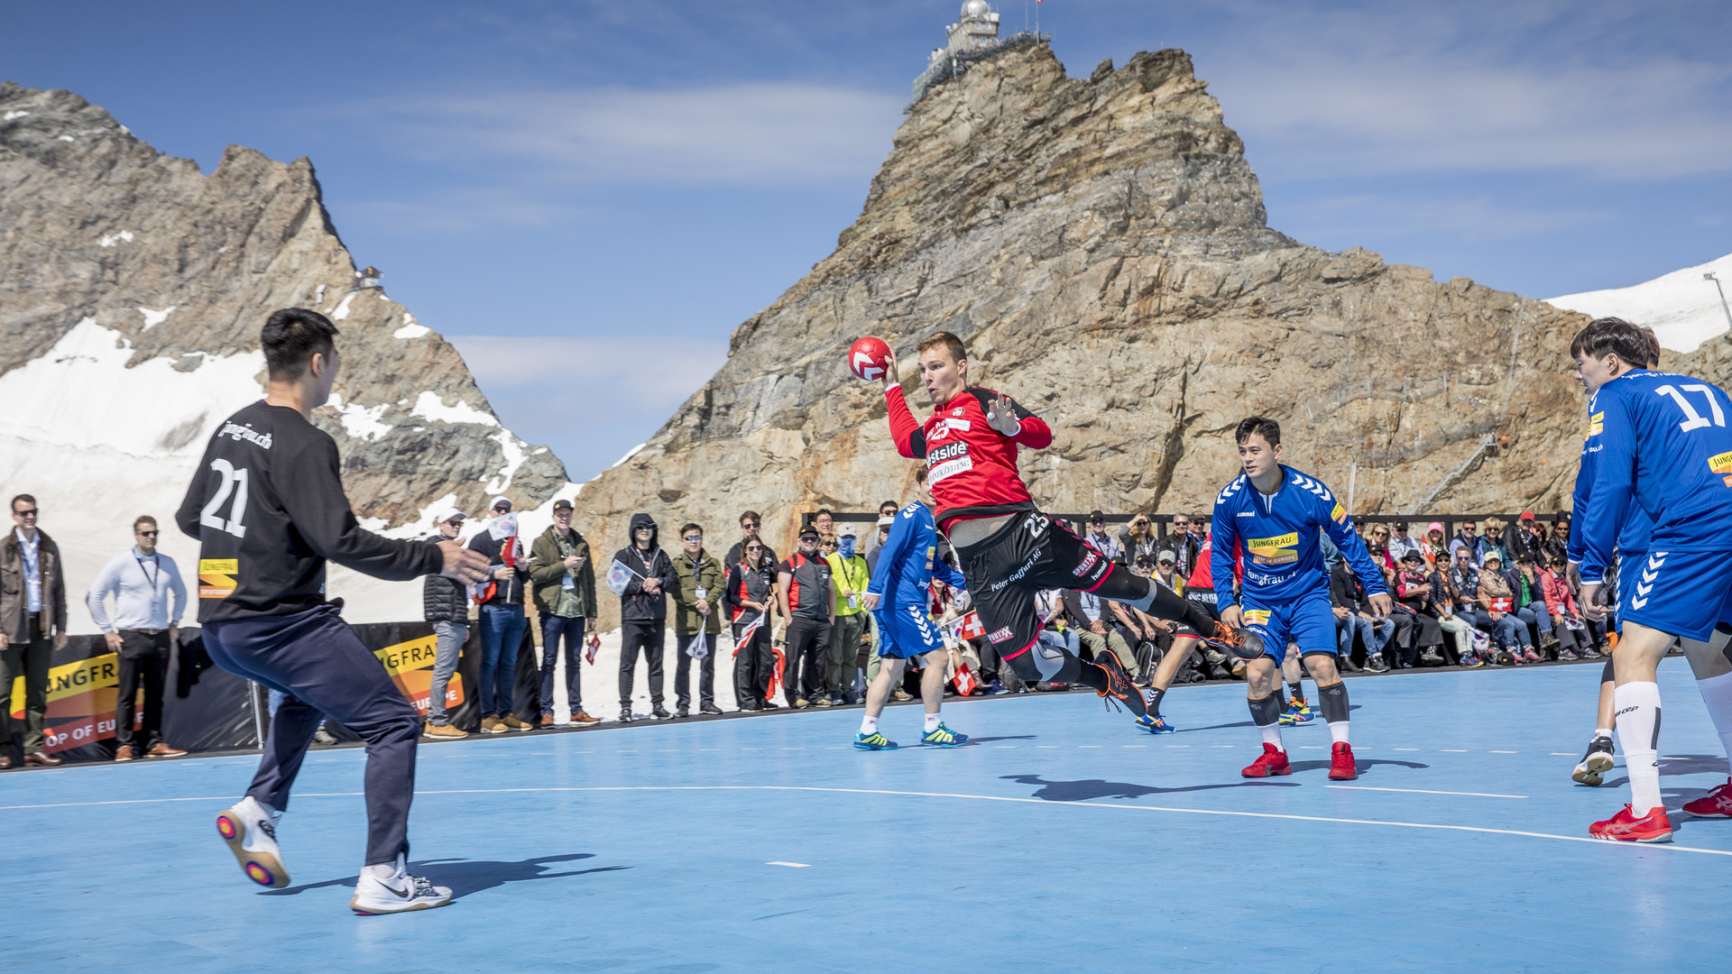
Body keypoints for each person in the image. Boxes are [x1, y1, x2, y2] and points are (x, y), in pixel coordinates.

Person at [177, 307, 490, 913]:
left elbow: (193, 519)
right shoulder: (305, 443)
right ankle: (384, 876)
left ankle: (259, 808)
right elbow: (340, 541)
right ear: (318, 362)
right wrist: (434, 556)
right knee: (393, 724)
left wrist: (254, 548)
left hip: (221, 626)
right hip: (281, 621)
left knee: (305, 696)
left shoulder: (232, 429)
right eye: (336, 360)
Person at [879, 333, 1248, 731]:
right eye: (923, 370)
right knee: (1027, 665)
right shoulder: (933, 428)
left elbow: (1041, 434)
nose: (928, 377)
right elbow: (904, 442)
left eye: (936, 367)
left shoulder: (984, 401)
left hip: (1025, 536)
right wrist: (892, 387)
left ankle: (1211, 628)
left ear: (960, 366)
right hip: (981, 566)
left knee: (1122, 585)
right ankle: (1104, 677)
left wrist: (1012, 426)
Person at [1572, 316, 1732, 840]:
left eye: (1582, 363)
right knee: (1710, 650)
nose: (1580, 375)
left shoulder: (1614, 395)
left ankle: (1646, 809)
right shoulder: (1705, 388)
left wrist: (1590, 564)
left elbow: (1610, 482)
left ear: (1610, 361)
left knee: (1632, 654)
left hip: (1691, 530)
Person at [1211, 416, 1391, 781]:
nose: (1248, 458)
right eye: (1243, 451)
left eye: (1255, 450)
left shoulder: (1311, 493)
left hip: (1308, 595)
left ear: (1277, 451)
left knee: (1321, 666)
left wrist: (1374, 584)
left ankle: (1342, 751)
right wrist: (1226, 600)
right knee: (1257, 674)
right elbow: (1221, 553)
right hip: (1261, 600)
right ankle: (1274, 753)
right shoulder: (1229, 499)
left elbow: (1347, 539)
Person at [855, 467, 971, 749]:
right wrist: (875, 587)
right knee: (939, 658)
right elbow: (890, 550)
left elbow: (933, 566)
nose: (933, 488)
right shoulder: (910, 515)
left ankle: (867, 730)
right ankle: (932, 727)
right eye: (928, 482)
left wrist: (966, 582)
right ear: (918, 484)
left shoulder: (930, 521)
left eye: (938, 483)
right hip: (902, 601)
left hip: (902, 602)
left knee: (891, 667)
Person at [86, 515, 189, 761]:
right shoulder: (121, 563)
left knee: (156, 694)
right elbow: (95, 596)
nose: (151, 537)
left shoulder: (167, 563)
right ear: (136, 535)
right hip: (131, 636)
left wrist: (174, 622)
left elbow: (181, 593)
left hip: (159, 636)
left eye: (154, 533)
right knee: (127, 694)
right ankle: (124, 744)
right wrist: (107, 630)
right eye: (145, 533)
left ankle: (154, 742)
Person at [1, 493, 69, 769]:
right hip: (10, 629)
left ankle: (34, 748)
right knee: (2, 693)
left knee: (38, 692)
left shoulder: (48, 546)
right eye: (24, 513)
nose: (30, 517)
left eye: (33, 512)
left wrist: (61, 626)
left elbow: (59, 589)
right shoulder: (4, 548)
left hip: (40, 626)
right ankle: (3, 749)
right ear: (14, 516)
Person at [528, 499, 600, 727]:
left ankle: (576, 710)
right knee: (549, 660)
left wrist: (592, 612)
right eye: (560, 514)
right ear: (553, 516)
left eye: (567, 513)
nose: (564, 517)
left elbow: (589, 580)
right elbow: (535, 574)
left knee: (574, 661)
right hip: (553, 610)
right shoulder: (541, 542)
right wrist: (564, 565)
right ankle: (546, 711)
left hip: (576, 610)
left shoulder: (581, 543)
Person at [469, 499, 532, 733]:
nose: (503, 512)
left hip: (515, 606)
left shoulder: (515, 541)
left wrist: (524, 569)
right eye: (498, 509)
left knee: (508, 662)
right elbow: (471, 573)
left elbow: (522, 577)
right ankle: (488, 715)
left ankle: (506, 712)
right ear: (490, 512)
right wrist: (495, 574)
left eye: (506, 509)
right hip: (493, 607)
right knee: (490, 661)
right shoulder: (480, 540)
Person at [614, 513, 676, 722]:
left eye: (648, 527)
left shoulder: (661, 554)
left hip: (656, 617)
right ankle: (625, 707)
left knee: (656, 664)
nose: (644, 530)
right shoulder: (624, 555)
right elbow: (616, 583)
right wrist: (642, 585)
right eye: (640, 527)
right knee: (627, 664)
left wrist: (658, 581)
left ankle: (658, 705)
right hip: (633, 618)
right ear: (633, 530)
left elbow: (672, 579)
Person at [420, 508, 472, 740]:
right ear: (441, 524)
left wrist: (464, 622)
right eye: (452, 522)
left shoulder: (452, 551)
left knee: (446, 671)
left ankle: (436, 720)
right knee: (443, 671)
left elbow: (459, 591)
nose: (457, 526)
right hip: (446, 618)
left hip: (454, 618)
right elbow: (431, 552)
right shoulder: (435, 547)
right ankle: (436, 721)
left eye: (459, 523)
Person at [669, 522, 724, 717]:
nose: (694, 541)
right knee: (683, 666)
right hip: (687, 622)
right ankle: (683, 703)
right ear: (682, 541)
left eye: (697, 537)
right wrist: (695, 602)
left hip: (708, 622)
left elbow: (720, 585)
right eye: (689, 538)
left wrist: (707, 601)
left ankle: (707, 702)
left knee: (707, 665)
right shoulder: (676, 564)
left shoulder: (713, 563)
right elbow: (675, 589)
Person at [777, 527, 834, 708]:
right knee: (793, 659)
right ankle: (793, 696)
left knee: (817, 660)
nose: (809, 541)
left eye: (812, 539)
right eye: (805, 538)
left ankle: (814, 694)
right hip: (799, 617)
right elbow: (782, 591)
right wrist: (788, 617)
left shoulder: (824, 563)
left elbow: (831, 590)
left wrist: (832, 615)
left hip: (821, 620)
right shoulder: (790, 562)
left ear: (818, 542)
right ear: (799, 541)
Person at [723, 540, 777, 711]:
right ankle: (745, 699)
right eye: (751, 548)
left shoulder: (766, 570)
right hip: (744, 621)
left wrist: (771, 598)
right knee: (745, 661)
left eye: (759, 548)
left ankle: (760, 696)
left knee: (766, 660)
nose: (755, 551)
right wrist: (751, 604)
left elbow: (771, 590)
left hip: (763, 621)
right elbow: (731, 596)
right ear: (745, 551)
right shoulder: (739, 569)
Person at [826, 525, 871, 705]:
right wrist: (839, 593)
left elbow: (865, 585)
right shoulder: (830, 560)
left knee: (851, 655)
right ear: (838, 539)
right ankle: (834, 689)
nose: (847, 541)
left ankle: (847, 688)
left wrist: (863, 611)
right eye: (844, 538)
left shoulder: (860, 562)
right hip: (837, 613)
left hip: (856, 614)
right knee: (835, 655)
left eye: (851, 538)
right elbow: (827, 586)